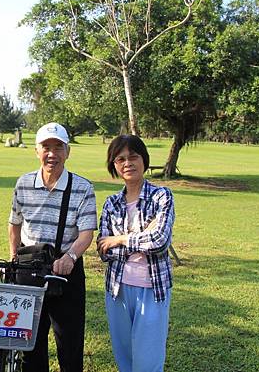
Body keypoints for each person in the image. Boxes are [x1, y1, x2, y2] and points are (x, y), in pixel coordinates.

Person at [8, 122, 97, 372]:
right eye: (46, 147)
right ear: (37, 151)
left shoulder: (82, 188)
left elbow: (86, 233)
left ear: (67, 152)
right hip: (29, 265)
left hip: (66, 268)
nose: (52, 154)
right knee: (30, 343)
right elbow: (14, 224)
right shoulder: (23, 183)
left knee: (69, 343)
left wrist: (70, 257)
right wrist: (14, 258)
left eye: (58, 147)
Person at [97, 135, 175, 372]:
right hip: (118, 289)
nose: (127, 163)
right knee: (125, 357)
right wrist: (143, 236)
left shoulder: (161, 196)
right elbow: (103, 250)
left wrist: (119, 239)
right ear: (114, 166)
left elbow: (160, 241)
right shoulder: (111, 203)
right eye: (120, 159)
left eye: (133, 157)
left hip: (152, 288)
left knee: (147, 361)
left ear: (144, 160)